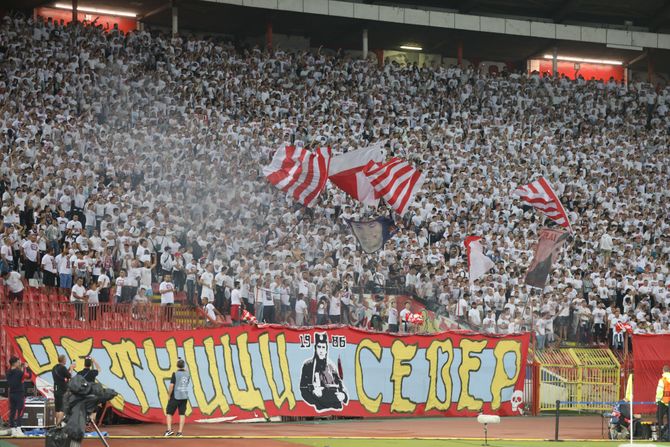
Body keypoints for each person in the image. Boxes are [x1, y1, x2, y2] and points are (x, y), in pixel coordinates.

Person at [299, 332, 348, 411]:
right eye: (319, 347)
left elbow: (341, 385)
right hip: (319, 406)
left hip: (335, 405)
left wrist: (343, 395)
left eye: (323, 347)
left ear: (326, 350)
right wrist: (314, 395)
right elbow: (303, 389)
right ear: (315, 348)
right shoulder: (308, 366)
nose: (321, 350)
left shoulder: (331, 366)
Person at [165, 358, 190, 437]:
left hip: (175, 396)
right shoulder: (187, 374)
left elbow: (171, 386)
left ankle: (169, 430)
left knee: (169, 413)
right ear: (184, 365)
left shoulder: (175, 374)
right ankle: (180, 432)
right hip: (184, 396)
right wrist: (182, 361)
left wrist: (169, 395)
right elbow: (186, 369)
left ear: (177, 365)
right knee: (182, 414)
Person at [7, 356, 30, 437]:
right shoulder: (19, 372)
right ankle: (19, 430)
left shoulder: (8, 371)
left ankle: (13, 430)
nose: (19, 362)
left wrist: (22, 368)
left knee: (12, 412)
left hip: (11, 394)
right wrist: (27, 368)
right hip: (19, 393)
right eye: (18, 361)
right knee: (20, 411)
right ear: (15, 363)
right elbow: (28, 376)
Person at [52, 355, 76, 425]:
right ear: (63, 360)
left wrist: (69, 368)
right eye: (65, 359)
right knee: (62, 409)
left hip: (56, 389)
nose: (66, 360)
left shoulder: (54, 367)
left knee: (57, 408)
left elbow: (63, 374)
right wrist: (71, 369)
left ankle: (57, 425)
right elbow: (70, 376)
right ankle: (58, 425)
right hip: (62, 390)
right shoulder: (63, 368)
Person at [656, 365, 670, 441]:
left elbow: (659, 391)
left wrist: (657, 400)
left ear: (663, 371)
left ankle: (661, 437)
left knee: (659, 419)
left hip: (663, 401)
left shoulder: (662, 380)